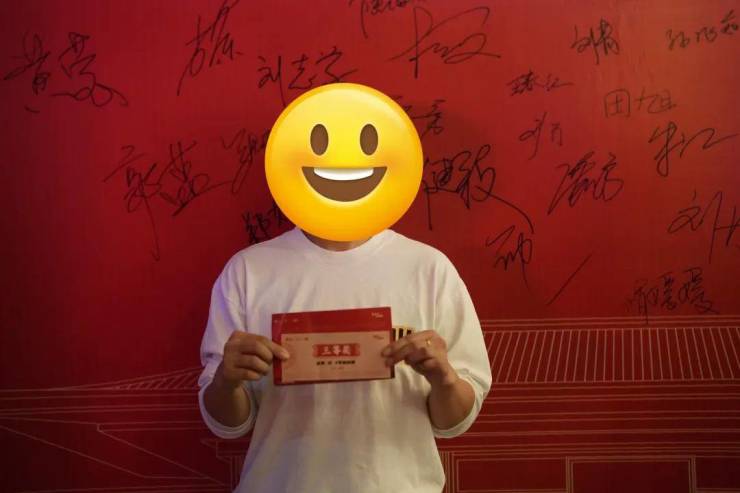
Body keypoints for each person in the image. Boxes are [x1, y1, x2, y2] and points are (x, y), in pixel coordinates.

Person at [198, 225, 492, 492]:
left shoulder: (429, 268)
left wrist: (445, 380)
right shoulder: (247, 270)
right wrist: (225, 382)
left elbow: (453, 423)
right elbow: (227, 424)